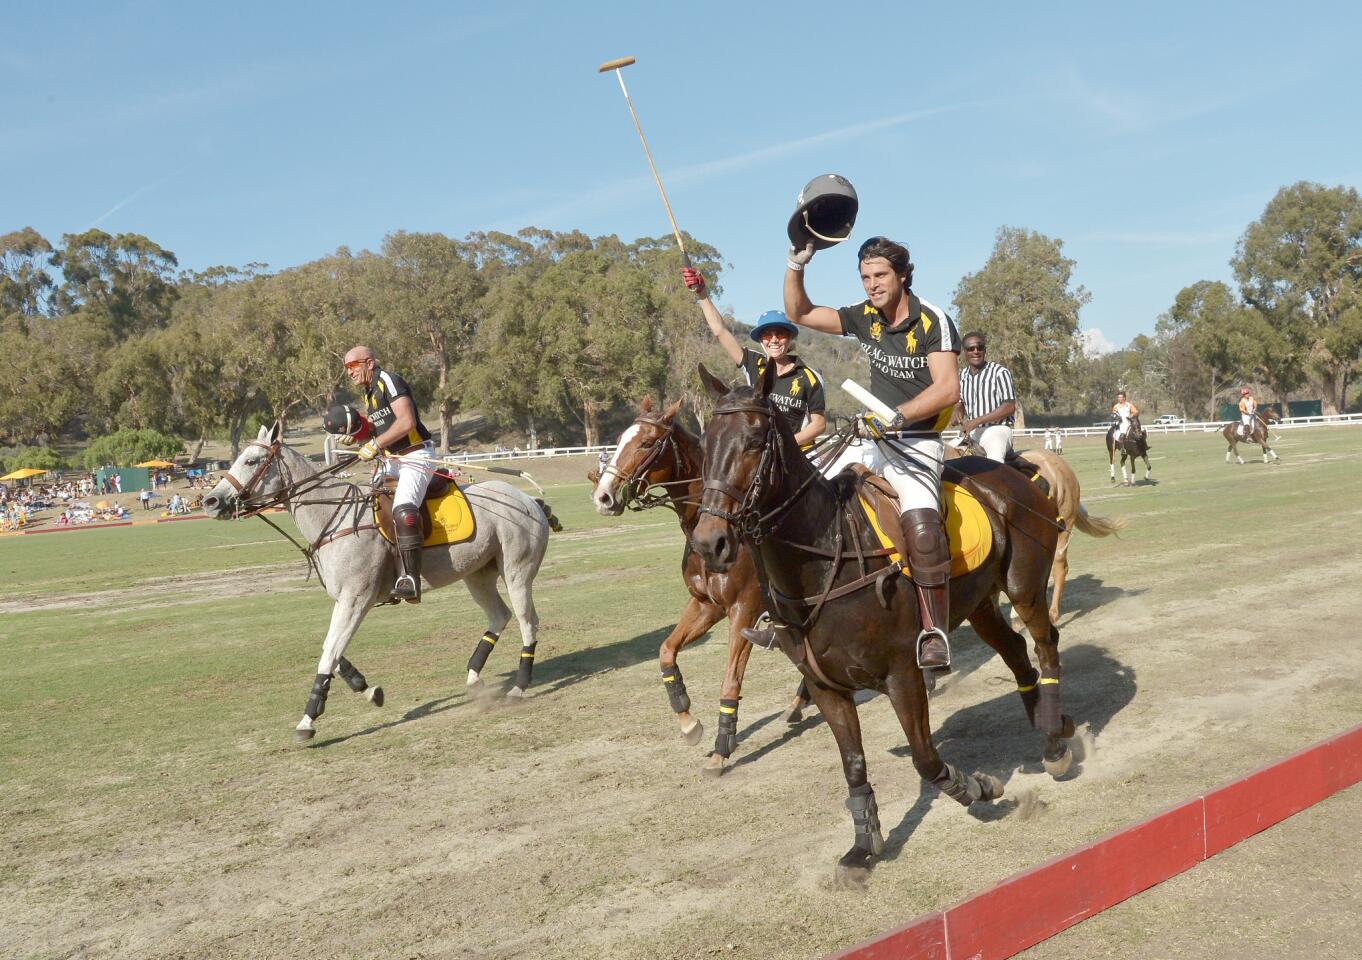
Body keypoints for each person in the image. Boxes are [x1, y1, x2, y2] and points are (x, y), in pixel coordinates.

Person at [784, 234, 960, 671]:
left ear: (902, 274)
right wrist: (796, 263)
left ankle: (933, 629)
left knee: (921, 527)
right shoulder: (863, 317)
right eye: (865, 277)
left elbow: (948, 389)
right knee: (794, 491)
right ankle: (781, 607)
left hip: (917, 443)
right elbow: (799, 313)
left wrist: (899, 417)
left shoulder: (932, 319)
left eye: (880, 275)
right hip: (871, 439)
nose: (872, 285)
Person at [681, 267, 827, 448]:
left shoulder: (809, 377)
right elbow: (720, 331)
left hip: (798, 454)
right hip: (758, 452)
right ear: (760, 340)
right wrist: (702, 294)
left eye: (780, 334)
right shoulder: (752, 362)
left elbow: (819, 424)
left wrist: (783, 445)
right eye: (767, 335)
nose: (774, 339)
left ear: (790, 338)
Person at [341, 345, 435, 603]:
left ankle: (411, 579)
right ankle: (383, 576)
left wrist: (376, 444)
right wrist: (360, 435)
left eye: (352, 366)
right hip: (392, 460)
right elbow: (380, 426)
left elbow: (407, 422)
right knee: (368, 508)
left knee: (403, 511)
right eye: (346, 368)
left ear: (369, 363)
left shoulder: (389, 381)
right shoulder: (369, 394)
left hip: (416, 455)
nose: (348, 373)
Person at [954, 332, 1017, 462]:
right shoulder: (961, 376)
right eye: (971, 349)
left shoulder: (1000, 372)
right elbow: (960, 404)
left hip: (997, 431)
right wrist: (956, 413)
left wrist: (976, 421)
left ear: (985, 349)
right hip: (972, 433)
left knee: (994, 463)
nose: (976, 351)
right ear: (964, 352)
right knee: (945, 457)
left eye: (980, 347)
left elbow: (1009, 407)